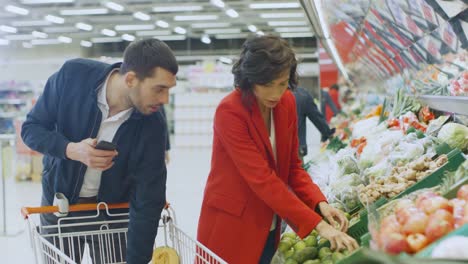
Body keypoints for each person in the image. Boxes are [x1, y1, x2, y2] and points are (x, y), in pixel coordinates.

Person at [196, 35, 358, 264]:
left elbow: (293, 167)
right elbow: (261, 178)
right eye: (267, 85)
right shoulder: (230, 112)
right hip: (232, 224)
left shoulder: (287, 103)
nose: (275, 93)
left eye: (282, 84)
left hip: (270, 222)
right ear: (250, 79)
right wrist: (318, 225)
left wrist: (320, 204)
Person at [21, 39, 178, 264]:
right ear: (131, 79)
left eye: (169, 90)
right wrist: (70, 149)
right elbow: (31, 129)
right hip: (60, 209)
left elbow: (148, 199)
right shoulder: (72, 76)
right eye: (159, 89)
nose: (165, 100)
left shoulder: (153, 123)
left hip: (113, 215)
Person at [292, 87, 335, 159]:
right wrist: (328, 133)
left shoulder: (273, 95)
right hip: (297, 148)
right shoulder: (302, 95)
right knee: (297, 168)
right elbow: (317, 118)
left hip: (275, 149)